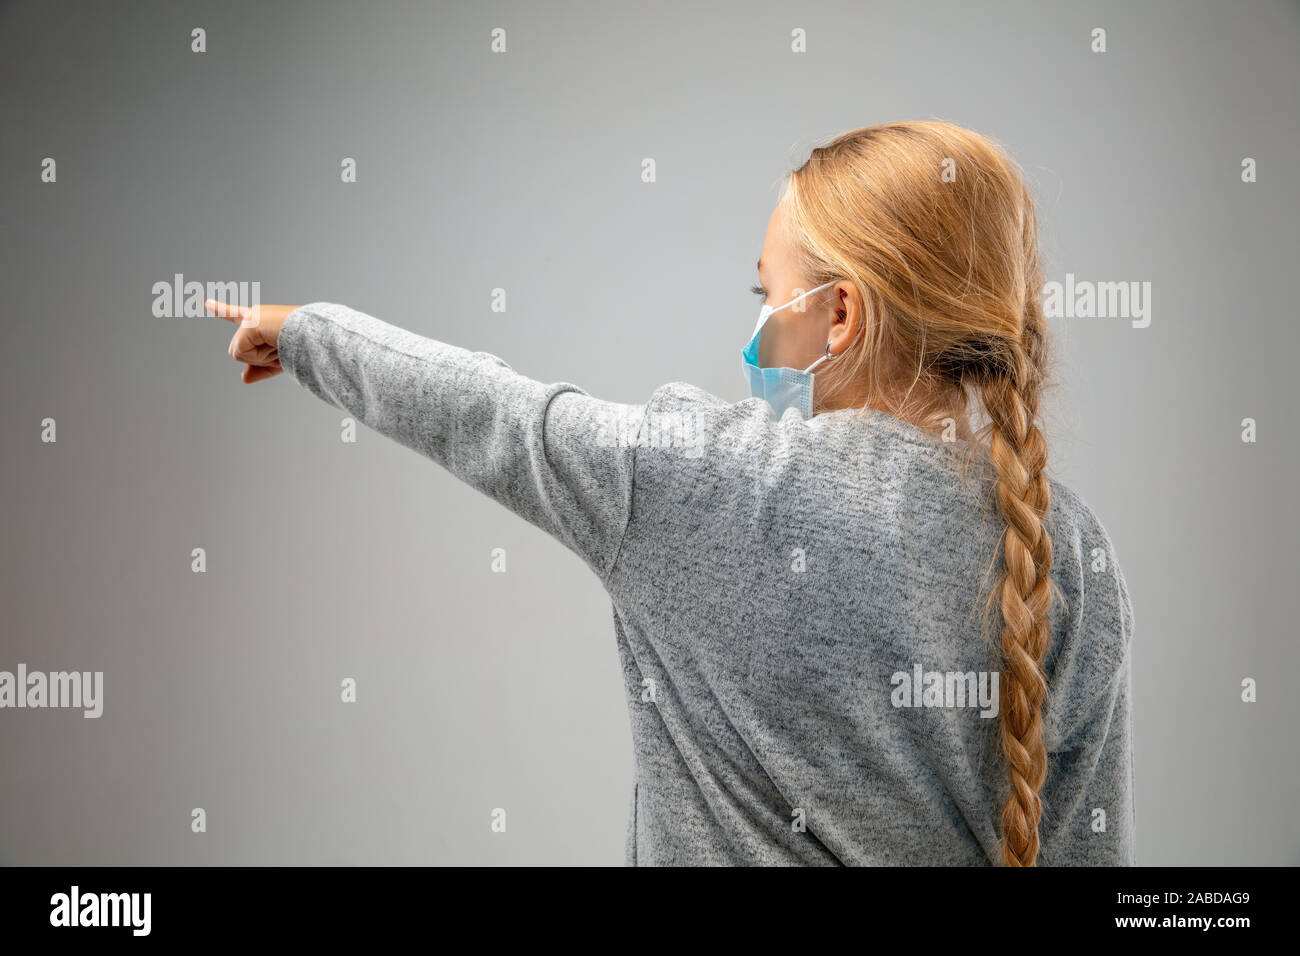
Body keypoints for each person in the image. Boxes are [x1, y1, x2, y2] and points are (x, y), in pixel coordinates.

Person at [206, 120, 1135, 867]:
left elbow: (487, 411)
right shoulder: (1068, 555)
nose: (756, 328)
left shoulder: (703, 480)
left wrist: (300, 332)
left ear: (841, 314)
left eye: (768, 293)